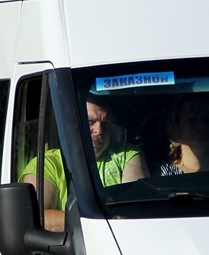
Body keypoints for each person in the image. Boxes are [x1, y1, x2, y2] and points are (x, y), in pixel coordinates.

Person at [22, 97, 148, 231]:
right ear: (73, 124)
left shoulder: (126, 154)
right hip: (68, 249)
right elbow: (37, 217)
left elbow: (137, 207)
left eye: (105, 124)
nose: (99, 130)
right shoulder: (48, 164)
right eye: (90, 122)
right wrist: (99, 223)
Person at [159, 97, 209, 175]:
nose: (201, 125)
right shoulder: (163, 174)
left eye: (207, 119)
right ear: (176, 125)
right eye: (192, 119)